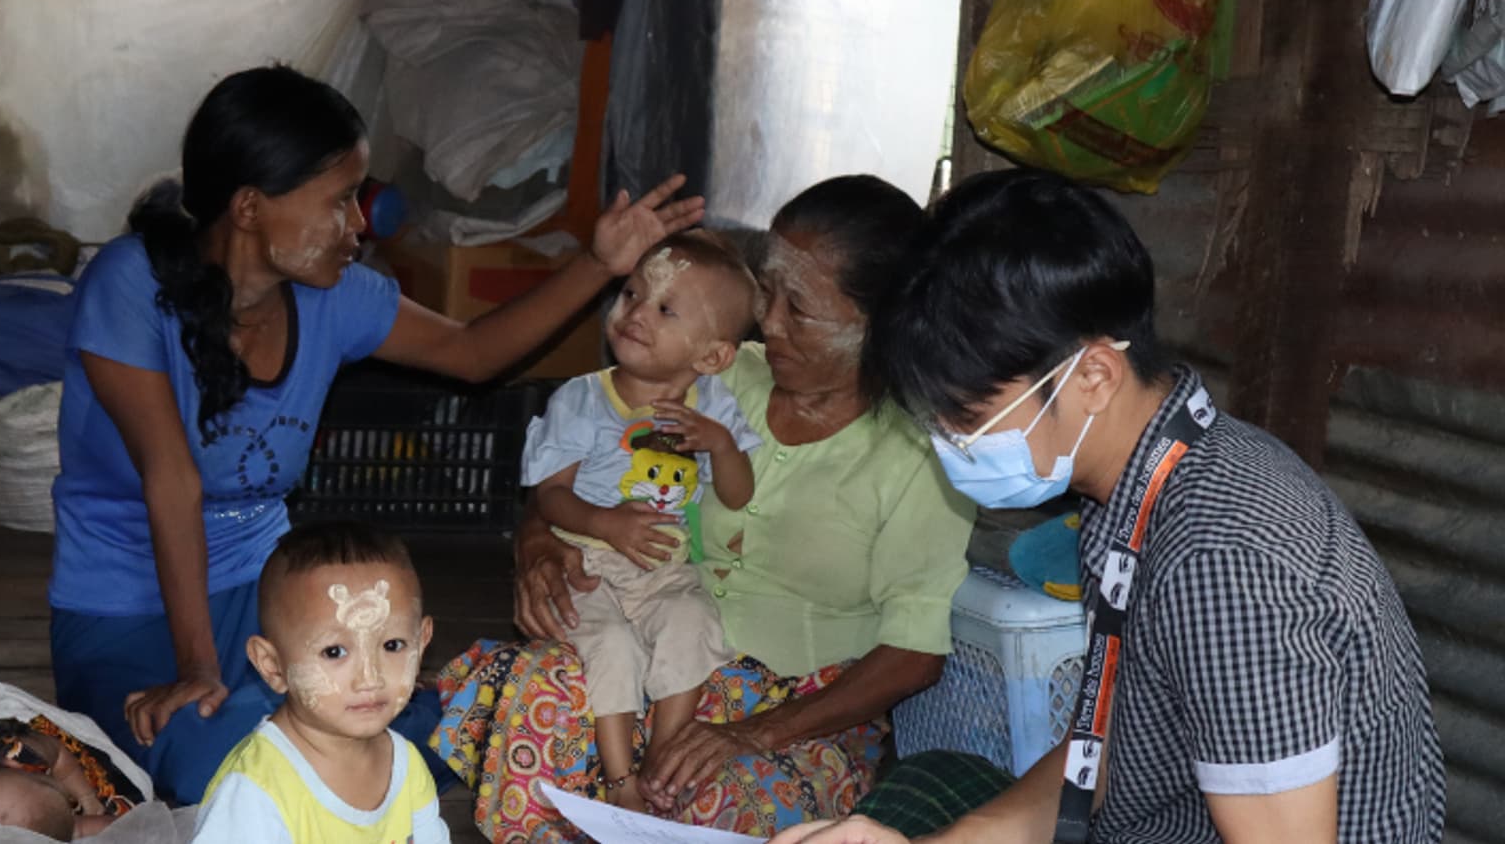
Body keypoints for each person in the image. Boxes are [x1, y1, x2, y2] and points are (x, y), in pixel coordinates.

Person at [47, 64, 704, 804]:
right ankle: (309, 742)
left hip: (277, 603)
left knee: (457, 724)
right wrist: (199, 667)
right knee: (204, 760)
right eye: (339, 202)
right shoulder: (130, 284)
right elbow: (173, 479)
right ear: (251, 206)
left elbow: (474, 354)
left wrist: (598, 265)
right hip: (124, 612)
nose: (359, 225)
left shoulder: (334, 297)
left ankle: (311, 740)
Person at [773, 168, 1443, 843]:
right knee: (917, 791)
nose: (950, 443)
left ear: (1093, 375)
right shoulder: (1148, 476)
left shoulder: (1222, 560)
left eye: (968, 416)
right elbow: (1108, 744)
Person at [433, 175, 977, 840]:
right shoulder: (712, 372)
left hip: (798, 714)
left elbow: (915, 653)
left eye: (798, 309)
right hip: (654, 650)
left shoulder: (917, 457)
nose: (768, 320)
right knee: (536, 692)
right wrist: (539, 544)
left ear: (880, 324)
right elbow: (572, 470)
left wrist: (752, 732)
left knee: (701, 800)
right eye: (766, 290)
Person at [522, 231, 762, 811]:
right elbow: (550, 496)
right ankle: (620, 777)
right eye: (631, 294)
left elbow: (737, 494)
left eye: (664, 309)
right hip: (588, 561)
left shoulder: (713, 408)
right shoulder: (581, 399)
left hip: (664, 565)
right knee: (611, 643)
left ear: (711, 357)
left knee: (693, 619)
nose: (635, 314)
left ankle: (663, 754)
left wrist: (722, 446)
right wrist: (604, 524)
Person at [191, 522, 448, 843]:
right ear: (272, 666)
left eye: (393, 645)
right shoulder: (256, 791)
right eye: (334, 651)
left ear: (422, 643)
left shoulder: (407, 765)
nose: (370, 677)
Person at [0, 714, 146, 840]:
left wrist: (87, 797)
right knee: (100, 825)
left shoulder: (24, 751)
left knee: (114, 811)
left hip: (51, 749)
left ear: (12, 765)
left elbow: (59, 754)